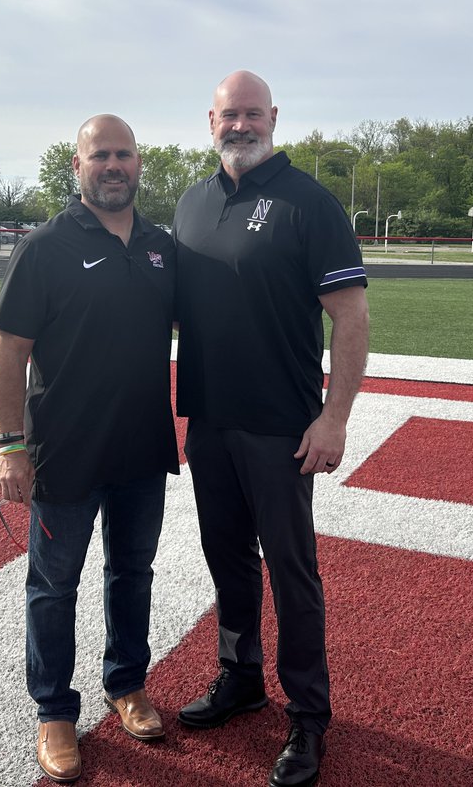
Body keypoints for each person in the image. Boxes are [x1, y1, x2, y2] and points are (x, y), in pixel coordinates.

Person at [172, 71, 370, 787]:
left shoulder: (309, 202)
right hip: (210, 422)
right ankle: (241, 677)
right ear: (212, 122)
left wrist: (335, 416)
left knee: (292, 573)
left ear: (274, 118)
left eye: (253, 113)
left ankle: (309, 716)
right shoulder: (192, 201)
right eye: (230, 115)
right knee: (226, 561)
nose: (241, 125)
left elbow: (349, 315)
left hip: (282, 427)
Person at [0, 114, 178, 783]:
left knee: (133, 573)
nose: (113, 165)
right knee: (54, 584)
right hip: (63, 451)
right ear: (78, 166)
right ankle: (54, 712)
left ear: (138, 164)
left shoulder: (160, 245)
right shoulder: (45, 246)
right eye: (101, 155)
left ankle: (126, 684)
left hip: (141, 447)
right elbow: (10, 354)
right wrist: (11, 446)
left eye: (124, 154)